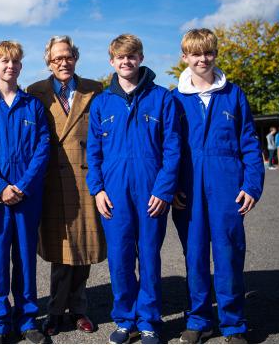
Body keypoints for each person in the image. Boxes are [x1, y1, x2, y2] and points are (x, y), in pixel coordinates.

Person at [171, 28, 265, 345]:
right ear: (185, 57)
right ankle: (199, 320)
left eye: (208, 53)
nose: (203, 59)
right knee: (195, 258)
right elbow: (167, 148)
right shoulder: (174, 98)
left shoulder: (234, 95)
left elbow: (250, 144)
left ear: (215, 55)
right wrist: (170, 188)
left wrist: (252, 185)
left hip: (227, 186)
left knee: (228, 256)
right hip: (189, 190)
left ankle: (234, 324)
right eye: (196, 54)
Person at [86, 34, 180, 344]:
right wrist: (97, 190)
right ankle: (125, 319)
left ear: (140, 58)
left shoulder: (162, 98)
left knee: (150, 256)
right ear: (111, 62)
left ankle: (150, 320)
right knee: (119, 257)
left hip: (151, 191)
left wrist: (165, 189)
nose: (127, 62)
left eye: (132, 56)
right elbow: (94, 154)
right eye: (120, 57)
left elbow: (172, 149)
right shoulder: (101, 103)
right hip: (113, 193)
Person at [25, 35, 107, 337]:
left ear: (76, 58)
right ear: (49, 61)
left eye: (69, 56)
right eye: (58, 58)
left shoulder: (94, 90)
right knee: (61, 250)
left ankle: (78, 309)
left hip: (87, 179)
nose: (64, 62)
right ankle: (57, 311)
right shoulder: (35, 92)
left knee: (84, 247)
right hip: (51, 181)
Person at [0, 41, 50, 344]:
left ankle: (28, 320)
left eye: (15, 61)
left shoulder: (33, 105)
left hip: (27, 194)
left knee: (25, 258)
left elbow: (43, 147)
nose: (10, 66)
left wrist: (24, 185)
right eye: (4, 61)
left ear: (20, 66)